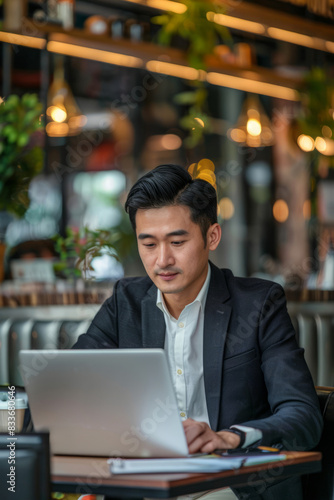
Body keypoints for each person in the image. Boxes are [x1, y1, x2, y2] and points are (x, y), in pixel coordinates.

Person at [73, 164, 322, 500]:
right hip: (145, 483)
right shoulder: (125, 303)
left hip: (232, 484)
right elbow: (73, 387)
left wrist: (229, 437)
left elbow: (303, 416)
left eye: (177, 241)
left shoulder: (259, 304)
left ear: (212, 236)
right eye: (148, 244)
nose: (163, 260)